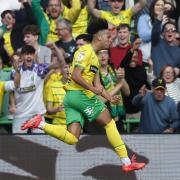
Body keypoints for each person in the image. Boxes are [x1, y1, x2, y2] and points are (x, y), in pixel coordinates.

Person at [21, 18, 145, 172]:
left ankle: (40, 124)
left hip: (73, 98)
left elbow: (98, 84)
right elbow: (76, 75)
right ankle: (126, 161)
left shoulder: (95, 57)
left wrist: (109, 98)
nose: (110, 40)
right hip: (80, 95)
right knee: (109, 123)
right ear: (99, 37)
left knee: (72, 138)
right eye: (108, 37)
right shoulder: (85, 51)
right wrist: (93, 91)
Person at [9, 44, 64, 134]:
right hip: (21, 113)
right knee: (18, 143)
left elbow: (60, 63)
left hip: (37, 113)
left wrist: (55, 47)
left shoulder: (40, 69)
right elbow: (12, 89)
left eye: (31, 54)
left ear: (34, 56)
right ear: (22, 56)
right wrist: (12, 105)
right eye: (26, 54)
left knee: (40, 142)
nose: (29, 56)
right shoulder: (14, 71)